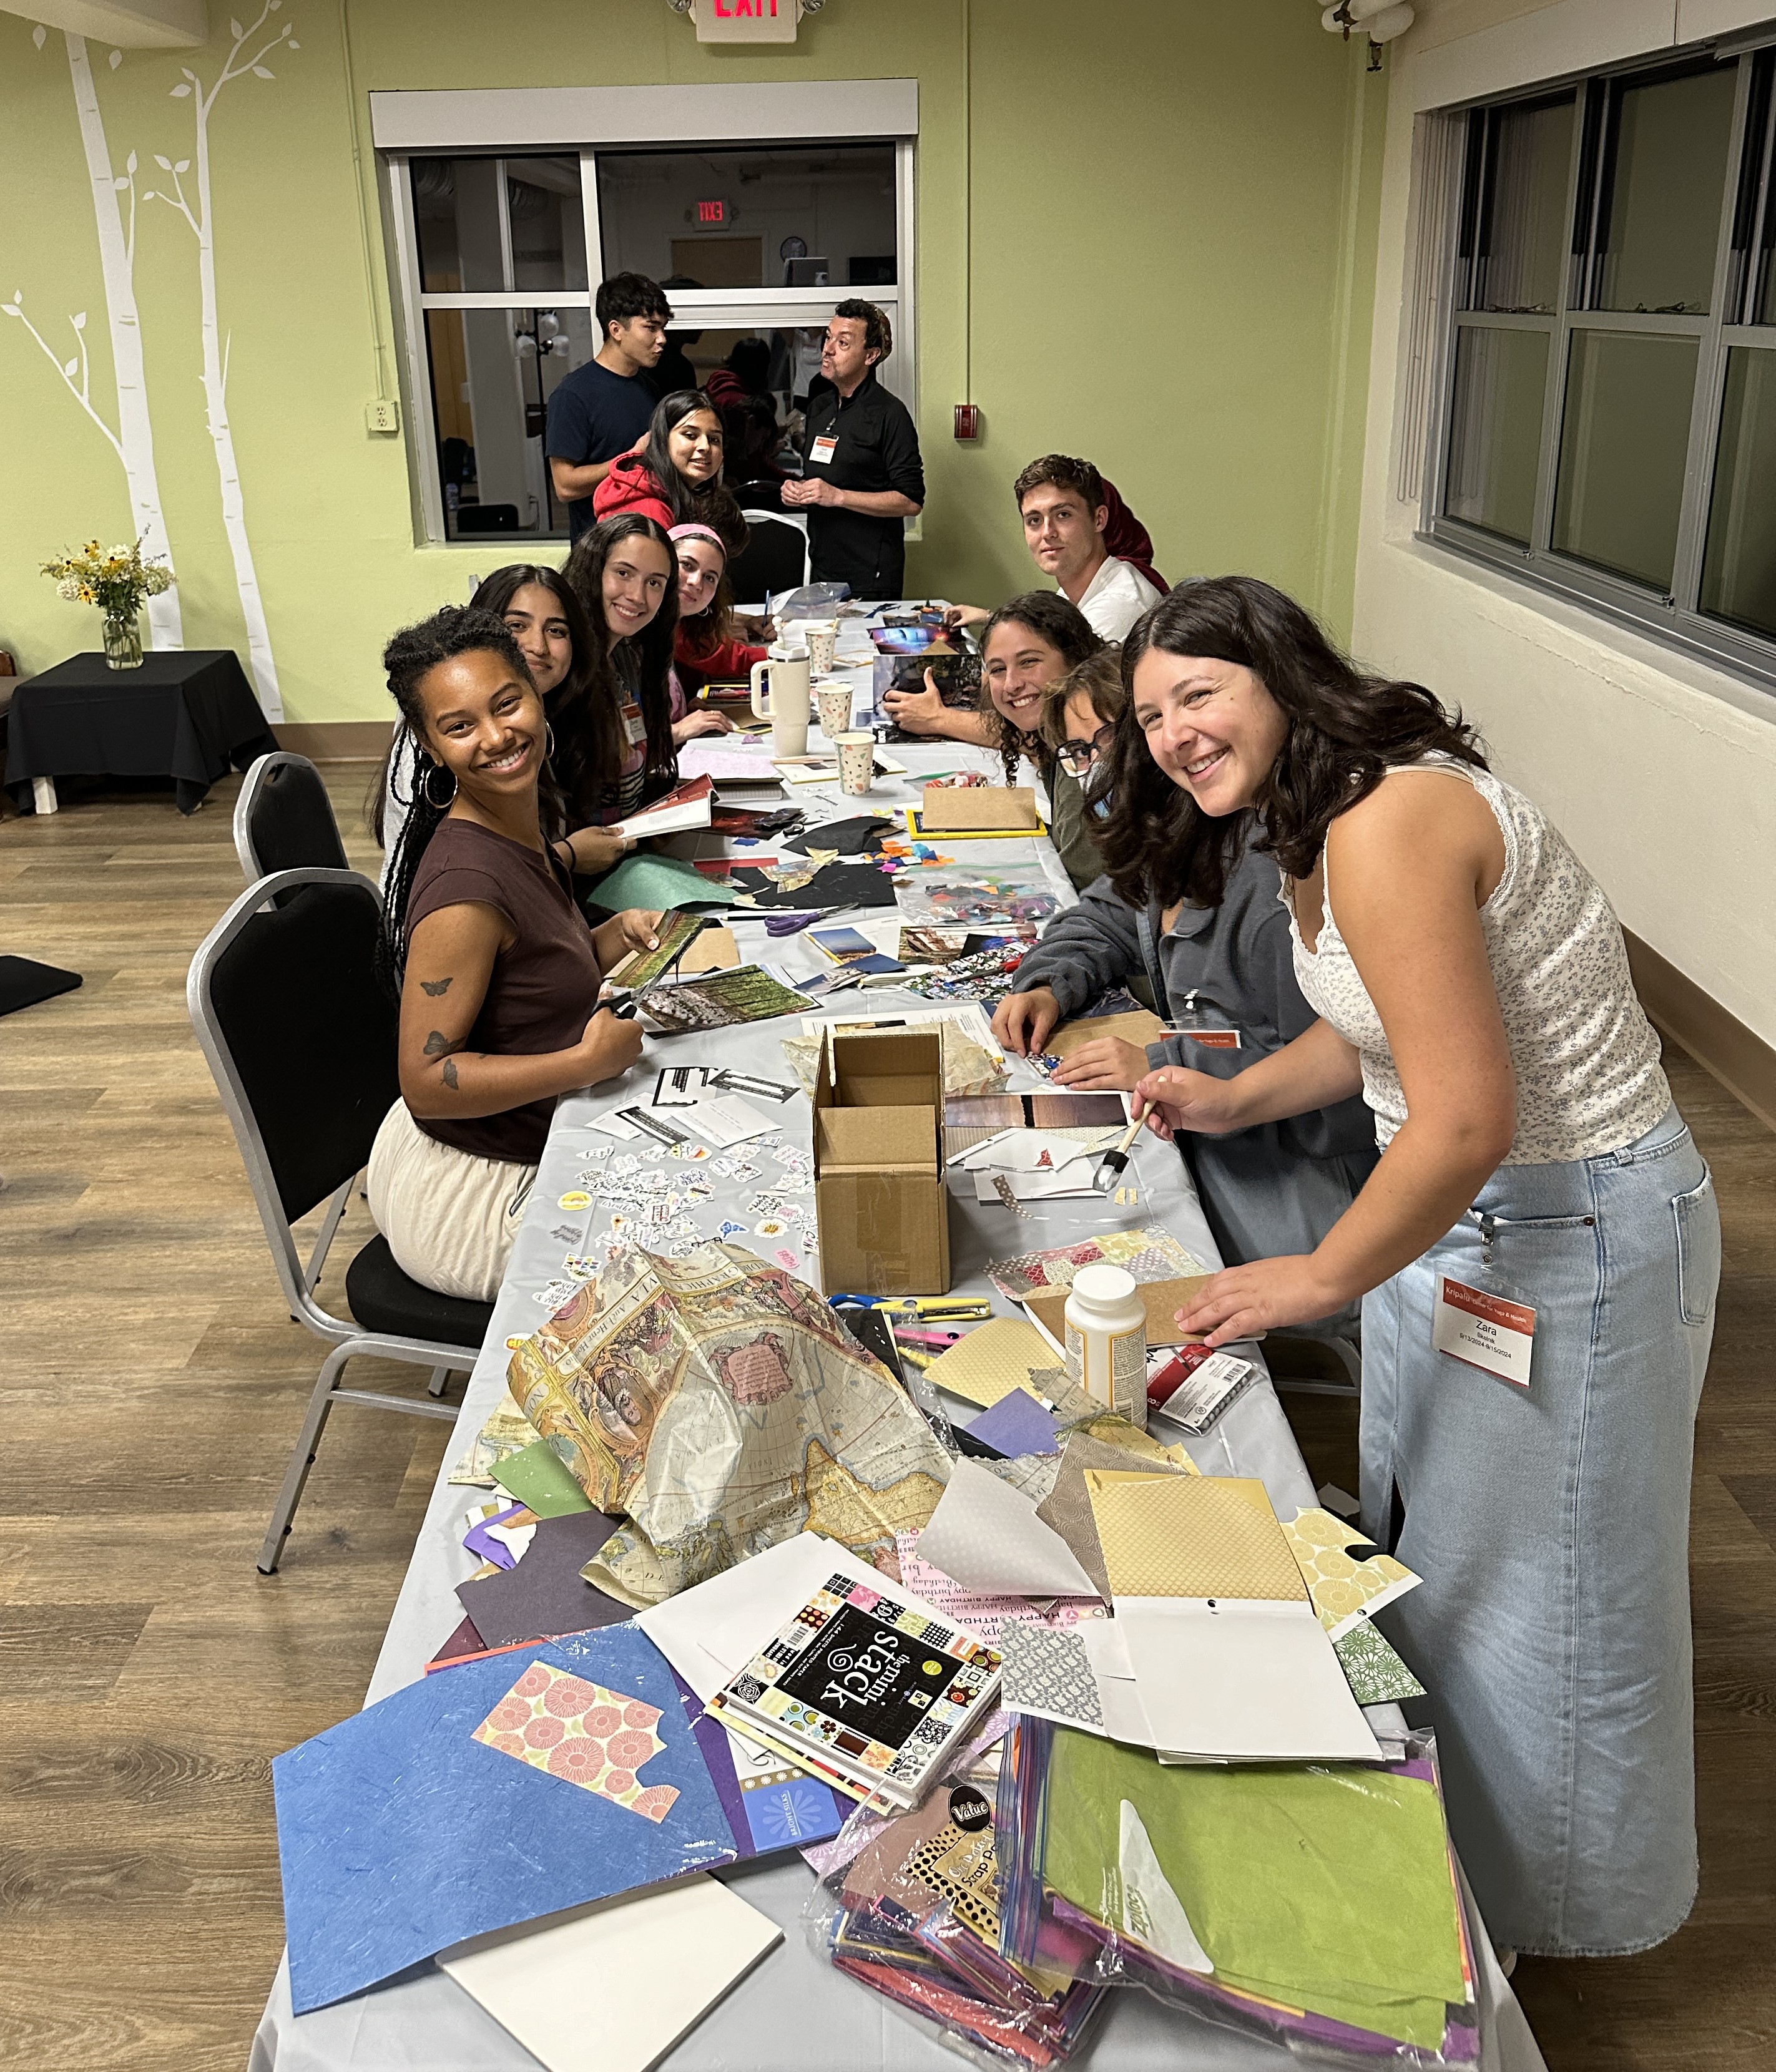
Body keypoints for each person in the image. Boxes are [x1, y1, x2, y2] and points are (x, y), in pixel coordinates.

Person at [1120, 575, 1717, 1959]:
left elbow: (1465, 1111)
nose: (1172, 733)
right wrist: (1234, 1097)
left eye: (1197, 693)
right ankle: (1462, 1868)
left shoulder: (1391, 819)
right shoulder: (1307, 816)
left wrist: (1314, 1276)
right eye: (1152, 713)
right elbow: (1380, 1023)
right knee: (1443, 1551)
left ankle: (1542, 1934)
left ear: (1278, 675)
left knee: (1545, 1591)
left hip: (1570, 1223)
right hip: (1462, 1212)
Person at [995, 645, 1379, 1337]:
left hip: (1304, 1183)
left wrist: (1172, 1064)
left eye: (1110, 740)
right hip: (1217, 1133)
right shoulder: (1184, 833)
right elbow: (1107, 911)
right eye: (1079, 753)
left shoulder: (1274, 882)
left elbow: (1346, 1085)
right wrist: (1050, 981)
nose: (1097, 769)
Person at [368, 605, 657, 1301]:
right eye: (460, 726)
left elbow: (520, 983)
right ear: (429, 746)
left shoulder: (516, 821)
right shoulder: (465, 890)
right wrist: (585, 1061)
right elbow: (427, 1078)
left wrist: (605, 941)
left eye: (507, 704)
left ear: (535, 692)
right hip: (475, 1197)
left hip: (515, 1141)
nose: (497, 737)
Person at [375, 565, 627, 884]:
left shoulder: (552, 713)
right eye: (517, 625)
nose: (538, 646)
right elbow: (458, 880)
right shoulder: (425, 750)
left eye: (557, 630)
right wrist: (568, 855)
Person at [883, 594, 1106, 892]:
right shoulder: (1054, 733)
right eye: (998, 669)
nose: (1012, 684)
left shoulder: (1091, 746)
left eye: (1029, 662)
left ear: (1075, 659)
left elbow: (1089, 882)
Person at [782, 301, 925, 600]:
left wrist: (838, 496)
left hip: (870, 575)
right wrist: (799, 492)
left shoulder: (889, 414)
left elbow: (911, 501)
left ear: (870, 356)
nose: (828, 349)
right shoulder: (820, 407)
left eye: (843, 343)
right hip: (822, 566)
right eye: (828, 337)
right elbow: (819, 480)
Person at [948, 456, 1162, 642]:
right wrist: (989, 617)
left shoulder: (1119, 604)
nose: (1047, 532)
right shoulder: (1077, 589)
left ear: (1099, 519)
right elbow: (1050, 635)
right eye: (1034, 520)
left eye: (1063, 515)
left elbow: (1053, 685)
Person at [557, 514, 680, 839]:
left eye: (654, 583)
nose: (637, 596)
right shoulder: (563, 666)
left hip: (624, 845)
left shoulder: (628, 654)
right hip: (578, 866)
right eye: (624, 573)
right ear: (594, 571)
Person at [545, 273, 671, 542]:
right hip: (599, 552)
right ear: (616, 330)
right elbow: (565, 486)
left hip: (651, 541)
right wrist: (629, 458)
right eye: (651, 328)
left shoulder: (650, 389)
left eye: (663, 328)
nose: (662, 339)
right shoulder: (573, 395)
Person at [593, 389, 734, 534]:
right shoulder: (648, 510)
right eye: (691, 435)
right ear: (662, 439)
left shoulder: (676, 497)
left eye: (714, 439)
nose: (705, 447)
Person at [669, 521, 765, 725]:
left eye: (710, 578)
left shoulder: (687, 625)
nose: (696, 582)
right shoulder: (638, 630)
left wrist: (682, 709)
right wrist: (677, 731)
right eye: (687, 565)